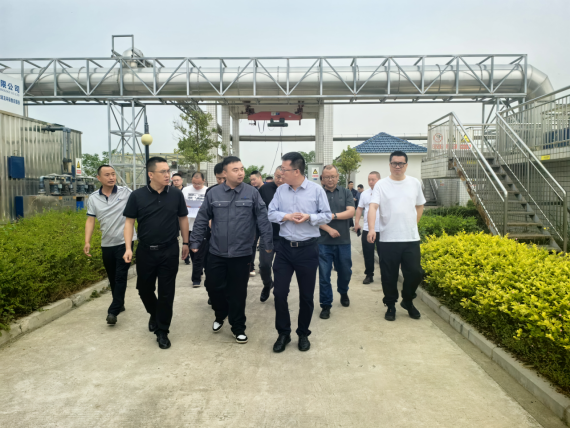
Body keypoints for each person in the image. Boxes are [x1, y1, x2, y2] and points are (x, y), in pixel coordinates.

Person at [190, 156, 273, 344]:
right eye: (235, 170)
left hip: (242, 253)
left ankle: (238, 327)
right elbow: (202, 218)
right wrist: (194, 241)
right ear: (225, 173)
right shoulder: (213, 193)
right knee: (212, 286)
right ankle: (220, 314)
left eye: (241, 169)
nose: (240, 173)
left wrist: (267, 243)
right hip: (216, 251)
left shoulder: (252, 193)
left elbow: (263, 219)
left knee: (238, 292)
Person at [122, 157, 189, 350]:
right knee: (144, 289)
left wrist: (186, 242)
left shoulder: (176, 194)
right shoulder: (137, 196)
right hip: (146, 250)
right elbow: (129, 222)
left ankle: (162, 330)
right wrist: (128, 247)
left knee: (167, 292)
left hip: (169, 249)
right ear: (151, 174)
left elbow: (183, 218)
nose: (168, 175)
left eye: (169, 171)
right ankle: (155, 313)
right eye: (163, 172)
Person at [268, 152, 331, 353]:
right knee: (279, 293)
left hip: (307, 250)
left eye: (284, 169)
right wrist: (286, 216)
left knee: (306, 295)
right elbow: (270, 213)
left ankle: (303, 333)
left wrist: (309, 217)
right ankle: (283, 333)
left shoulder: (316, 190)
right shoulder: (280, 191)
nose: (281, 173)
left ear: (296, 171)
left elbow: (327, 215)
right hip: (284, 249)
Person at [367, 151, 425, 322]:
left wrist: (413, 223)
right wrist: (372, 229)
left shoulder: (414, 183)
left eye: (401, 163)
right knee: (389, 275)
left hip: (410, 238)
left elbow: (420, 205)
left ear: (406, 165)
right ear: (390, 165)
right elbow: (373, 207)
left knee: (415, 272)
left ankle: (408, 300)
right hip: (388, 239)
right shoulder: (381, 184)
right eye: (394, 163)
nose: (397, 166)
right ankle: (391, 305)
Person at [84, 165, 137, 326]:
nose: (111, 177)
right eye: (107, 175)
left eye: (113, 174)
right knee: (112, 275)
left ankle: (113, 311)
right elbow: (90, 220)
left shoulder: (126, 193)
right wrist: (87, 241)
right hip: (107, 242)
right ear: (99, 178)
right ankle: (119, 303)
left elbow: (139, 208)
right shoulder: (93, 198)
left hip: (125, 241)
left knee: (120, 275)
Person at [317, 165, 355, 320]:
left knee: (345, 271)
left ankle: (343, 291)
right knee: (324, 275)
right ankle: (326, 305)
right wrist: (329, 229)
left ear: (338, 177)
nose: (330, 179)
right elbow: (314, 217)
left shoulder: (346, 192)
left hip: (343, 241)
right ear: (322, 178)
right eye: (327, 177)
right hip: (323, 242)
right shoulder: (318, 193)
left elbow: (350, 212)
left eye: (333, 176)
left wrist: (331, 216)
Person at [257, 166, 285, 302]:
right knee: (264, 265)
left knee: (281, 268)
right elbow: (257, 211)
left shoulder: (290, 189)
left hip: (284, 236)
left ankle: (279, 294)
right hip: (267, 235)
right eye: (277, 176)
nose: (279, 180)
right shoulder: (265, 189)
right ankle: (267, 284)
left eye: (282, 177)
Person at [355, 172, 381, 284]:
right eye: (369, 179)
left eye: (373, 179)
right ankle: (369, 275)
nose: (370, 182)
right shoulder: (364, 194)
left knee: (384, 254)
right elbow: (359, 208)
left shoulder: (384, 192)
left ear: (379, 180)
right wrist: (356, 222)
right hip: (367, 228)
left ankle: (386, 275)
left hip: (382, 229)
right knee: (368, 253)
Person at [182, 172, 208, 285]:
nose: (196, 186)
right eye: (194, 183)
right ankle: (198, 269)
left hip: (202, 226)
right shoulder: (185, 190)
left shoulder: (207, 191)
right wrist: (184, 206)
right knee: (192, 252)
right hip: (189, 225)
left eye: (198, 183)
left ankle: (196, 278)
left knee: (200, 252)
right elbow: (180, 205)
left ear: (203, 181)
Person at [248, 170, 264, 277]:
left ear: (260, 177)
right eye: (251, 180)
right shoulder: (251, 191)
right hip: (254, 223)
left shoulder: (267, 189)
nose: (252, 182)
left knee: (265, 245)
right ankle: (251, 267)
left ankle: (263, 266)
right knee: (252, 244)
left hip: (264, 222)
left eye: (254, 179)